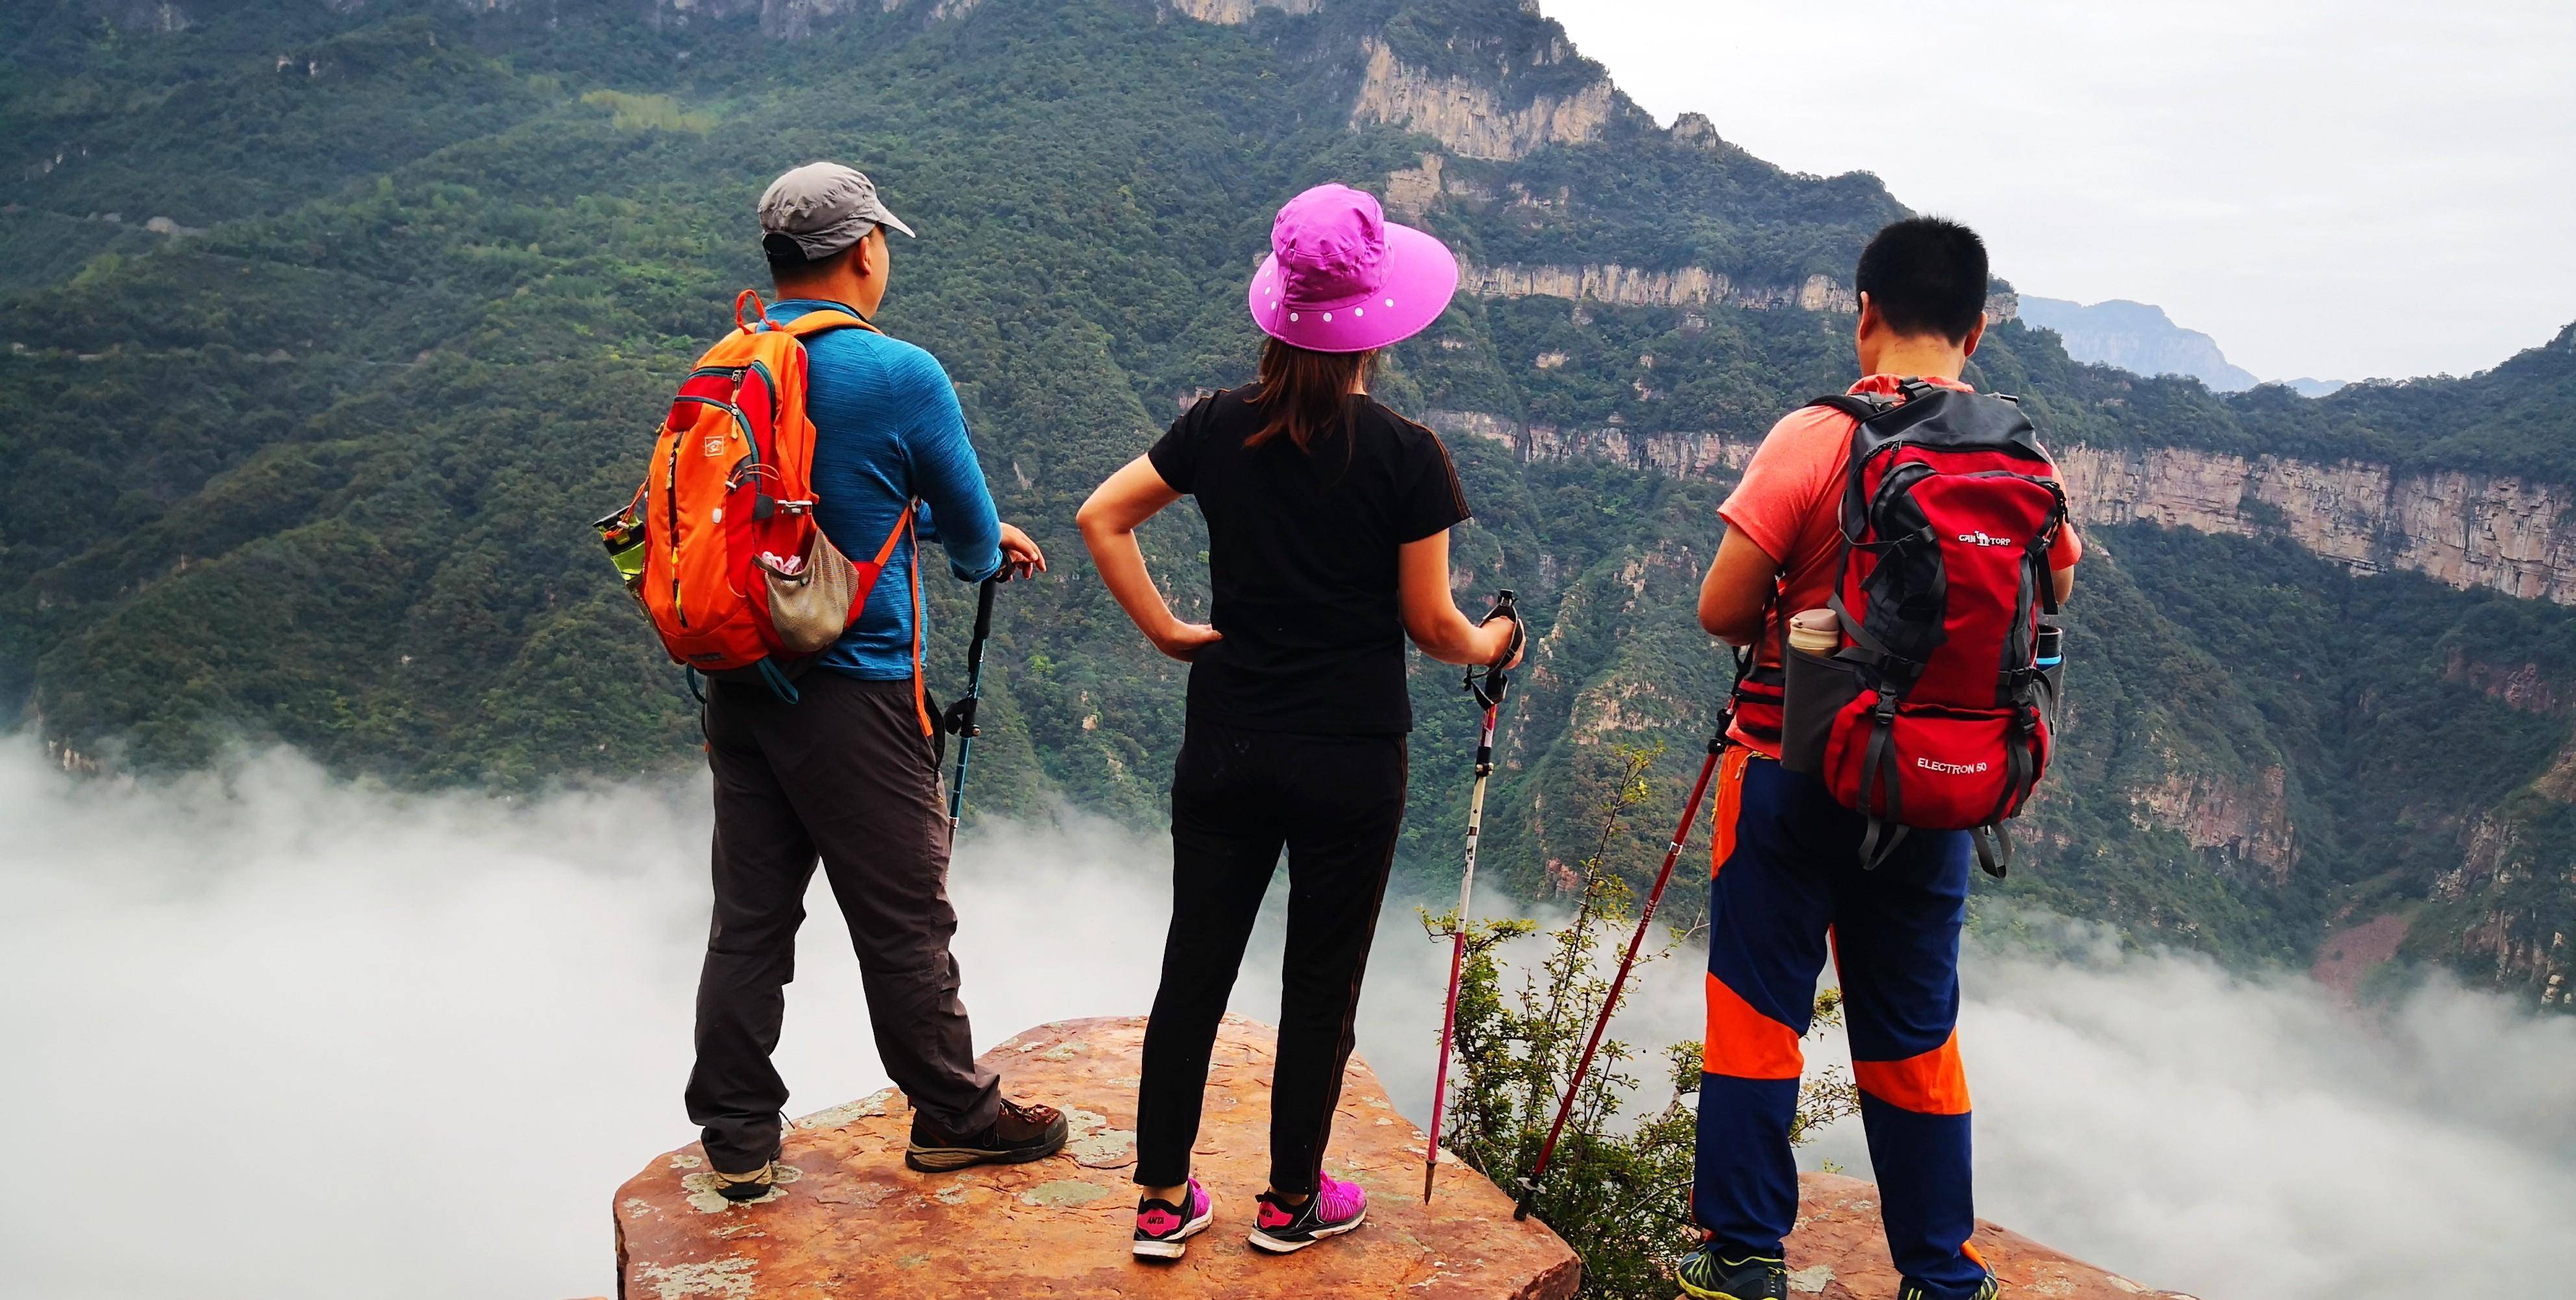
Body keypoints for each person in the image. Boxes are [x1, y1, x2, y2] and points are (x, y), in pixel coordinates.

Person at [1077, 183, 1521, 1260]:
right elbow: (1432, 626)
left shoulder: (1216, 426)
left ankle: (1161, 1200)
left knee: (1196, 965)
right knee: (1320, 980)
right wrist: (1496, 641)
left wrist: (1170, 632)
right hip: (1350, 758)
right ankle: (1287, 1202)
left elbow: (1102, 515)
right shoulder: (1408, 455)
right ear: (1378, 319)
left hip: (1226, 742)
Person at [1678, 218, 2081, 1300]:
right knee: (1913, 1029)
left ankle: (1745, 1259)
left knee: (1759, 1011)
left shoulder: (1817, 435)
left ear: (1864, 312)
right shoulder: (2023, 455)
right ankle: (1940, 1273)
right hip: (1935, 784)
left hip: (1787, 765)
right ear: (1976, 328)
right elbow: (2056, 594)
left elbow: (1721, 603)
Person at [684, 162, 1065, 1201]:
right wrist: (979, 544)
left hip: (743, 683)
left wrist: (931, 523)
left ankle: (736, 1138)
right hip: (854, 694)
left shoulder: (731, 357)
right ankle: (955, 1116)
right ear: (864, 251)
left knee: (752, 916)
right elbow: (976, 538)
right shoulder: (901, 375)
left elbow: (823, 506)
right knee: (905, 917)